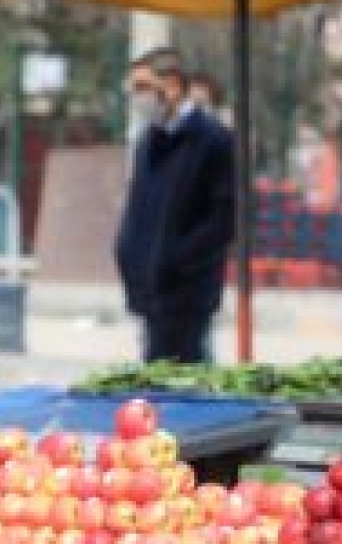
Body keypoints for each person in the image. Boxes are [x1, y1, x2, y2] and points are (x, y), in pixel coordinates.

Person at [115, 48, 236, 364]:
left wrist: (176, 259)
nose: (137, 97)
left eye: (143, 87)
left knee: (184, 384)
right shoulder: (148, 142)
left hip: (188, 294)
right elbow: (138, 211)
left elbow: (225, 219)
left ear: (171, 86)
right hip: (149, 293)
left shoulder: (213, 140)